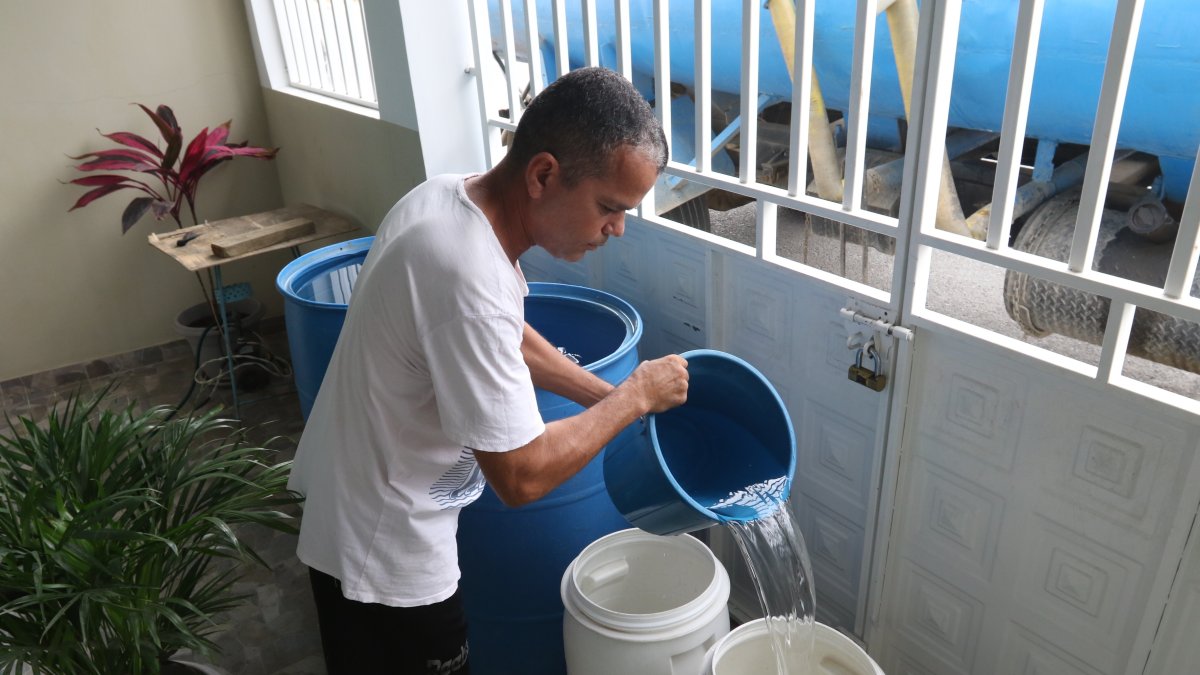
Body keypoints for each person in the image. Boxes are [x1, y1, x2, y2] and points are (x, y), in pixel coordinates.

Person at [287, 66, 690, 674]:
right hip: (388, 554)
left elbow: (507, 337)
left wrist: (603, 394)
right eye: (609, 207)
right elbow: (521, 476)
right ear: (543, 175)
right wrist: (631, 396)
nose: (618, 228)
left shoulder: (446, 198)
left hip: (352, 509)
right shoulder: (467, 275)